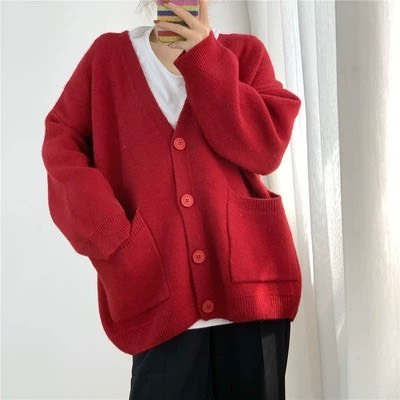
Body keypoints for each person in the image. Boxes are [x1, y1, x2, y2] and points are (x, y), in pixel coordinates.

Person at [41, 0, 302, 399]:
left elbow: (265, 149)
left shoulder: (244, 54)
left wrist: (204, 57)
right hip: (157, 290)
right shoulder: (107, 59)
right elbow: (61, 144)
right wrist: (113, 237)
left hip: (250, 291)